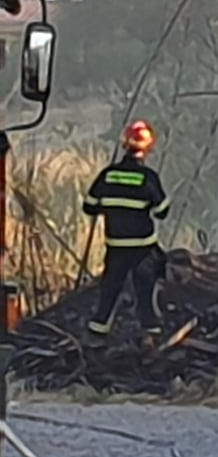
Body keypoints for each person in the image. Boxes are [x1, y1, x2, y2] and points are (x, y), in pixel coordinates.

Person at [83, 119, 170, 336]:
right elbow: (162, 211)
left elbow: (89, 207)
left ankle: (98, 329)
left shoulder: (107, 175)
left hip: (116, 245)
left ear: (125, 144)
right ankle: (150, 329)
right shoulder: (148, 178)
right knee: (146, 286)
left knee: (110, 287)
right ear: (148, 147)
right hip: (143, 247)